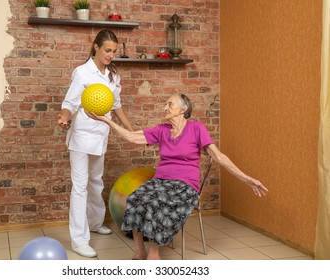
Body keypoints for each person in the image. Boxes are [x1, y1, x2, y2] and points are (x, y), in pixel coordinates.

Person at [88, 93, 268, 260]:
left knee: (157, 203)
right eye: (165, 104)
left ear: (183, 109)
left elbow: (219, 156)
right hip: (160, 181)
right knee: (136, 198)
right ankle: (139, 249)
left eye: (169, 104)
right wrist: (105, 120)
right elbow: (132, 137)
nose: (165, 107)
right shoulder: (161, 130)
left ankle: (153, 253)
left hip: (185, 185)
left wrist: (246, 178)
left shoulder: (196, 128)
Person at [57, 30, 133, 258]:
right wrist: (64, 117)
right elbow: (69, 103)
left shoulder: (112, 76)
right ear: (96, 47)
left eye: (114, 51)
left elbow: (116, 105)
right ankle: (79, 240)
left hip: (100, 135)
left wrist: (130, 130)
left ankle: (95, 222)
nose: (111, 55)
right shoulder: (82, 72)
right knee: (79, 187)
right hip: (81, 136)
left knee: (96, 181)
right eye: (107, 50)